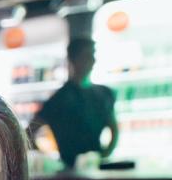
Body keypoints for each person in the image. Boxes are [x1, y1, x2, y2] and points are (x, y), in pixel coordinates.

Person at [32, 38, 118, 168]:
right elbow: (30, 132)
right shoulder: (59, 99)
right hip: (72, 169)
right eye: (86, 56)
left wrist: (103, 157)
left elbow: (114, 129)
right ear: (74, 59)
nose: (92, 60)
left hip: (91, 166)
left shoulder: (104, 94)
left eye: (92, 55)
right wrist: (50, 161)